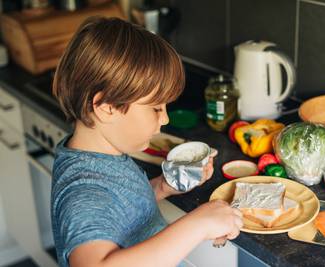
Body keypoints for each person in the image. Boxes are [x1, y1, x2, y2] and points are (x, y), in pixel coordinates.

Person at [51, 16, 243, 267]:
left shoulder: (100, 156)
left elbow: (123, 211)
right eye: (155, 108)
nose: (164, 119)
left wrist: (162, 187)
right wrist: (198, 224)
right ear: (106, 108)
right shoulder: (85, 192)